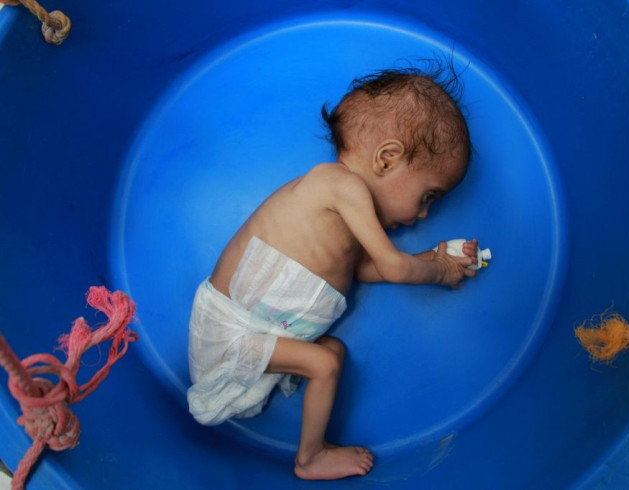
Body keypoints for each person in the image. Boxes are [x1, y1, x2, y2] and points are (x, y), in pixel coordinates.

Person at [187, 66, 478, 480]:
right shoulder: (338, 186)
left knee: (334, 355)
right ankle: (309, 458)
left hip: (266, 332)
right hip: (233, 331)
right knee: (325, 364)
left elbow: (363, 269)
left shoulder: (347, 214)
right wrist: (440, 272)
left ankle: (310, 440)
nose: (423, 214)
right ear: (387, 158)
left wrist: (432, 255)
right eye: (427, 196)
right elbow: (394, 267)